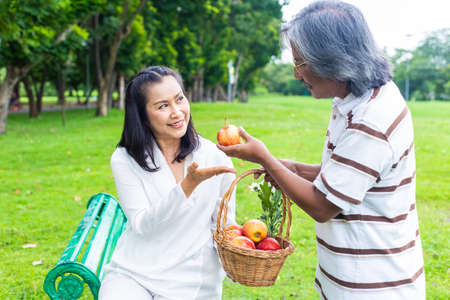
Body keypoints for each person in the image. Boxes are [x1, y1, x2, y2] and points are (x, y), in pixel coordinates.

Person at [218, 1, 425, 299]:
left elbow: (323, 206)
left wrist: (264, 157)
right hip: (350, 278)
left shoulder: (372, 118)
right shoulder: (352, 100)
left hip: (373, 287)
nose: (296, 74)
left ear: (333, 60)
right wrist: (293, 168)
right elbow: (349, 178)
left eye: (301, 63)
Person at [99, 66, 237, 300]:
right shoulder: (125, 158)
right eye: (163, 106)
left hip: (193, 280)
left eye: (180, 99)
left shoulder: (215, 156)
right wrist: (187, 186)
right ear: (142, 115)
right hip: (134, 273)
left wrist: (236, 256)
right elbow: (142, 224)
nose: (177, 112)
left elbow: (223, 226)